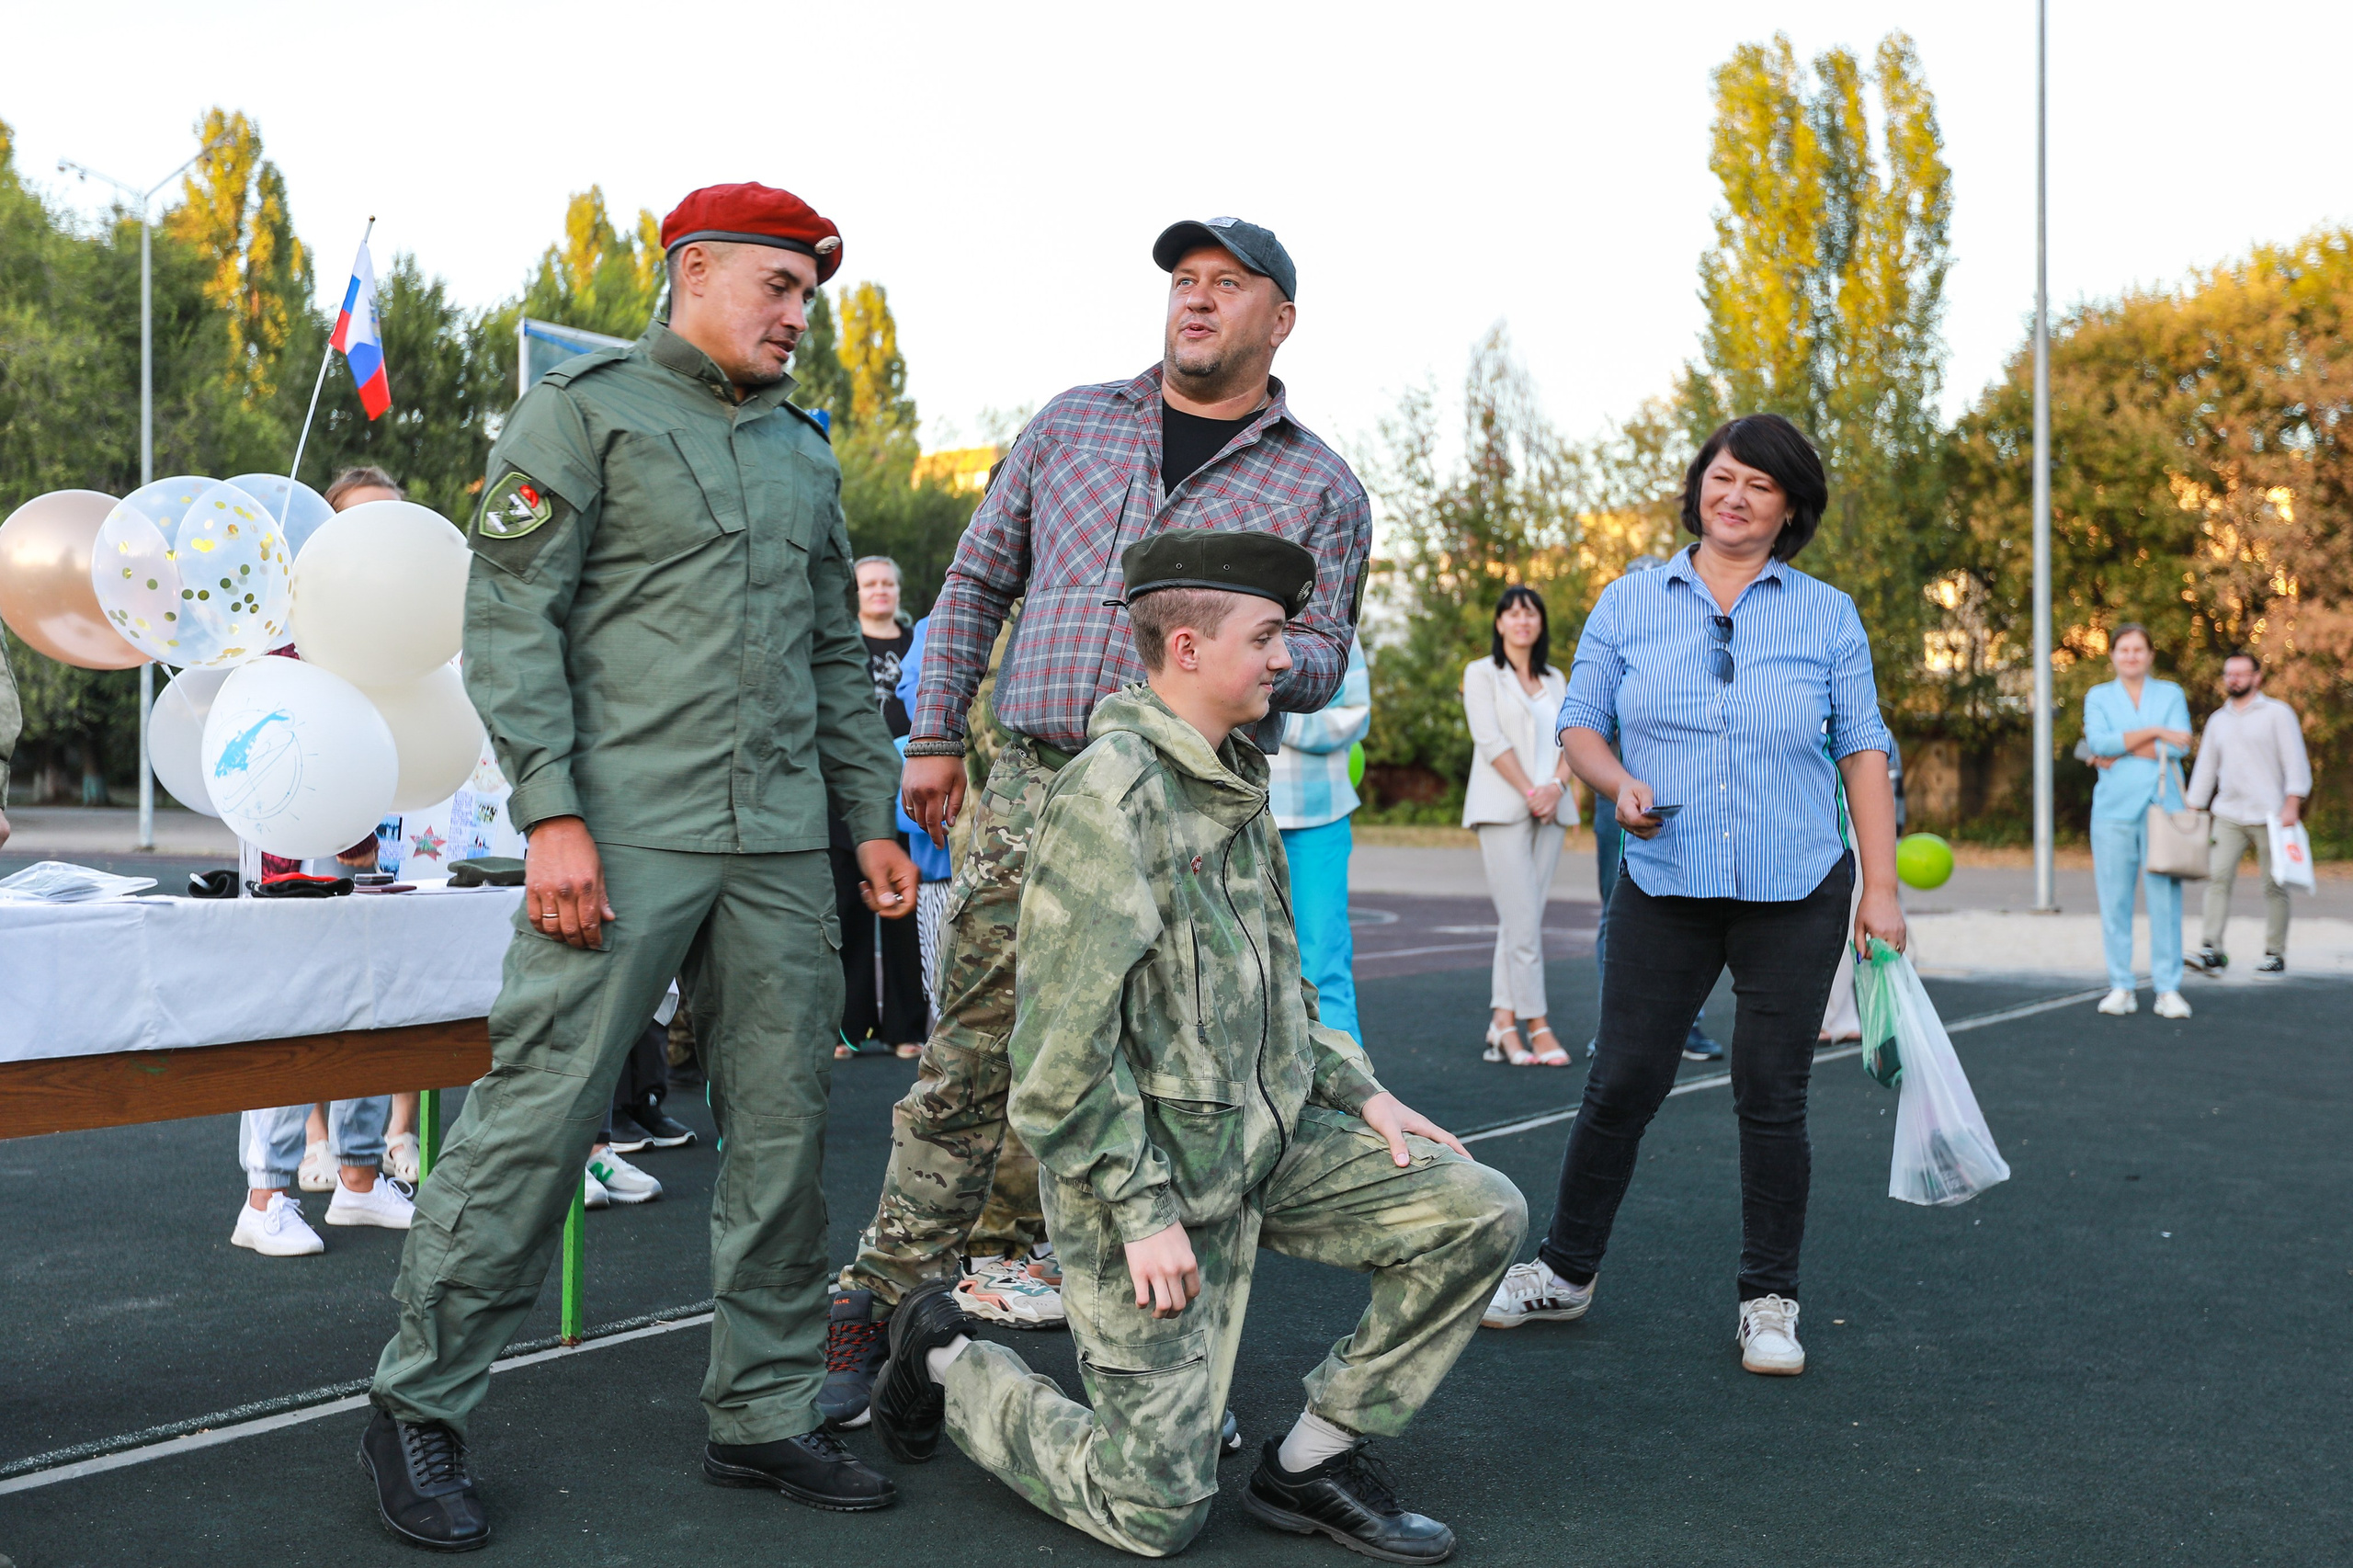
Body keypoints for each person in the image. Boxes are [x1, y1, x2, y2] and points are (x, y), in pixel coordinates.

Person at [360, 182, 918, 1550]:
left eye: (809, 296)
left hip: (785, 842)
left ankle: (766, 1409)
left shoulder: (804, 451)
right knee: (541, 1118)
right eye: (778, 288)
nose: (799, 316)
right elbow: (509, 615)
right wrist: (549, 810)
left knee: (783, 1130)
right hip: (620, 834)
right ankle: (418, 1401)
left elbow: (835, 658)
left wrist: (868, 817)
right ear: (696, 272)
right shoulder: (585, 413)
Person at [870, 531, 1522, 1562]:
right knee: (1157, 1511)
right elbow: (1053, 1057)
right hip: (1146, 1181)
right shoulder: (1109, 797)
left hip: (1257, 1141)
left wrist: (1357, 1090)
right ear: (1185, 646)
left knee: (1477, 1208)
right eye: (1267, 637)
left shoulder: (1232, 774)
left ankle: (1311, 1457)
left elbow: (1277, 976)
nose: (1284, 659)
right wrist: (1137, 1213)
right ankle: (946, 1354)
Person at [821, 214, 1373, 1425]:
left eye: (1228, 284)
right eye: (1184, 279)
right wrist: (930, 733)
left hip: (1192, 803)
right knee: (973, 1050)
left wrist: (1252, 658)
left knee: (1180, 1072)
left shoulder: (1321, 484)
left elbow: (1326, 645)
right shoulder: (1072, 422)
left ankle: (1170, 1363)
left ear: (1280, 320)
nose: (1197, 298)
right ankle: (885, 1295)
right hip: (1032, 780)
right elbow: (975, 580)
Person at [1482, 414, 1904, 1382]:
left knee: (1771, 1093)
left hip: (1795, 882)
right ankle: (1564, 1268)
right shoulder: (1628, 602)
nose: (1735, 495)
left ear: (1789, 506)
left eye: (1759, 483)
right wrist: (1613, 780)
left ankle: (1769, 1299)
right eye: (1722, 477)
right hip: (1663, 880)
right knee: (1622, 1080)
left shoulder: (1827, 614)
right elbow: (1581, 724)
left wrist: (1878, 888)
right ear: (1697, 488)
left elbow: (1862, 749)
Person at [236, 466, 420, 1256]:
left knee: (371, 1011)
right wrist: (339, 821)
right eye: (362, 522)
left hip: (377, 852)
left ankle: (358, 1179)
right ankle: (264, 1197)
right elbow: (281, 744)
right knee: (292, 1021)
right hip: (294, 858)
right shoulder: (287, 626)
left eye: (395, 524)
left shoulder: (398, 624)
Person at [1461, 586, 1577, 1065]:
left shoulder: (1555, 678)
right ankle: (1537, 1024)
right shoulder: (1482, 673)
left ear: (1540, 624)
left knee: (1520, 919)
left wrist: (1554, 787)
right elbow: (1488, 739)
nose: (1522, 621)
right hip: (1504, 808)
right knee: (1524, 919)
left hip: (1553, 808)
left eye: (1530, 613)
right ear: (1499, 624)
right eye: (1512, 613)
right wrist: (1533, 790)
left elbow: (1575, 738)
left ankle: (1503, 1023)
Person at [831, 555, 927, 1059]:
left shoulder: (918, 642)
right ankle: (848, 1028)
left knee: (901, 905)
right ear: (857, 591)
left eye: (888, 583)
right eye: (870, 584)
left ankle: (906, 1028)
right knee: (848, 905)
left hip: (908, 779)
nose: (880, 591)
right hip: (846, 782)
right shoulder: (841, 644)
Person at [2082, 624, 2196, 1018]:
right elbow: (2098, 744)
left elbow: (2180, 743)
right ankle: (2122, 986)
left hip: (2163, 809)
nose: (2131, 656)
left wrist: (2127, 744)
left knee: (2165, 901)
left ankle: (2168, 989)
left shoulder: (2171, 693)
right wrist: (2155, 733)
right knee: (2114, 901)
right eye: (2123, 649)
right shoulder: (2098, 696)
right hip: (2113, 811)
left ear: (2150, 655)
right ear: (2112, 655)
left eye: (2138, 649)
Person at [1267, 632, 1370, 1042]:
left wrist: (1273, 715)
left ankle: (1350, 1101)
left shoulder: (1333, 625)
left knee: (1323, 964)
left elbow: (1354, 715)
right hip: (1237, 814)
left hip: (1319, 816)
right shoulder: (1225, 606)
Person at [2188, 650, 2312, 975]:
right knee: (2217, 878)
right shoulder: (2218, 720)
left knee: (2274, 884)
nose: (2234, 679)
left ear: (2257, 677)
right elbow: (2206, 769)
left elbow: (2295, 761)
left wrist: (2292, 803)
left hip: (2270, 814)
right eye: (2229, 673)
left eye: (2241, 673)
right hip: (2228, 813)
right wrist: (2193, 805)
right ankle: (2211, 947)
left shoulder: (2277, 714)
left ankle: (2275, 952)